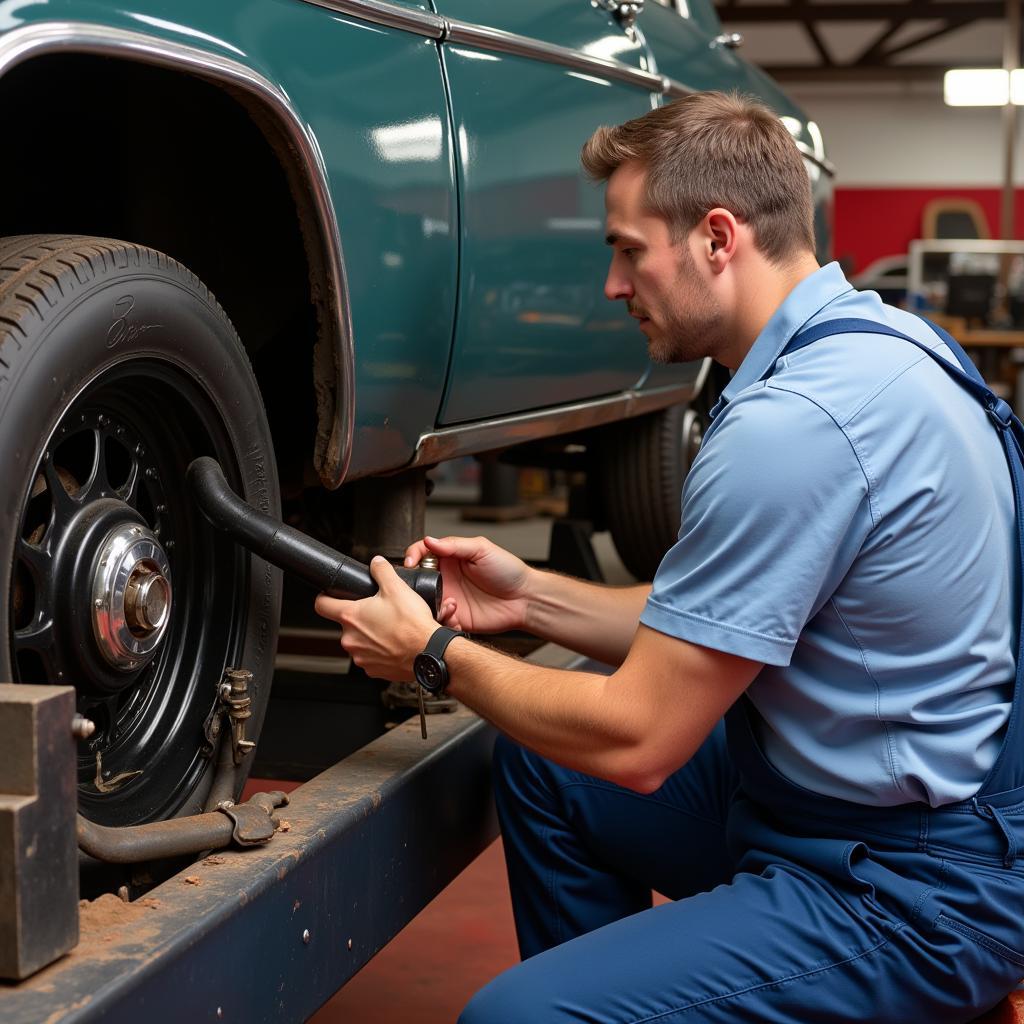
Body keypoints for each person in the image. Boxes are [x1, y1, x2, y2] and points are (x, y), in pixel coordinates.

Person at [315, 92, 1024, 1022]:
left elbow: (642, 740)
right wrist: (528, 599)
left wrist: (434, 656)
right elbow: (727, 613)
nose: (614, 286)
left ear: (717, 238)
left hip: (912, 887)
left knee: (518, 1017)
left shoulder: (793, 429)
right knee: (549, 770)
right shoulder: (885, 345)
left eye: (626, 248)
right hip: (881, 810)